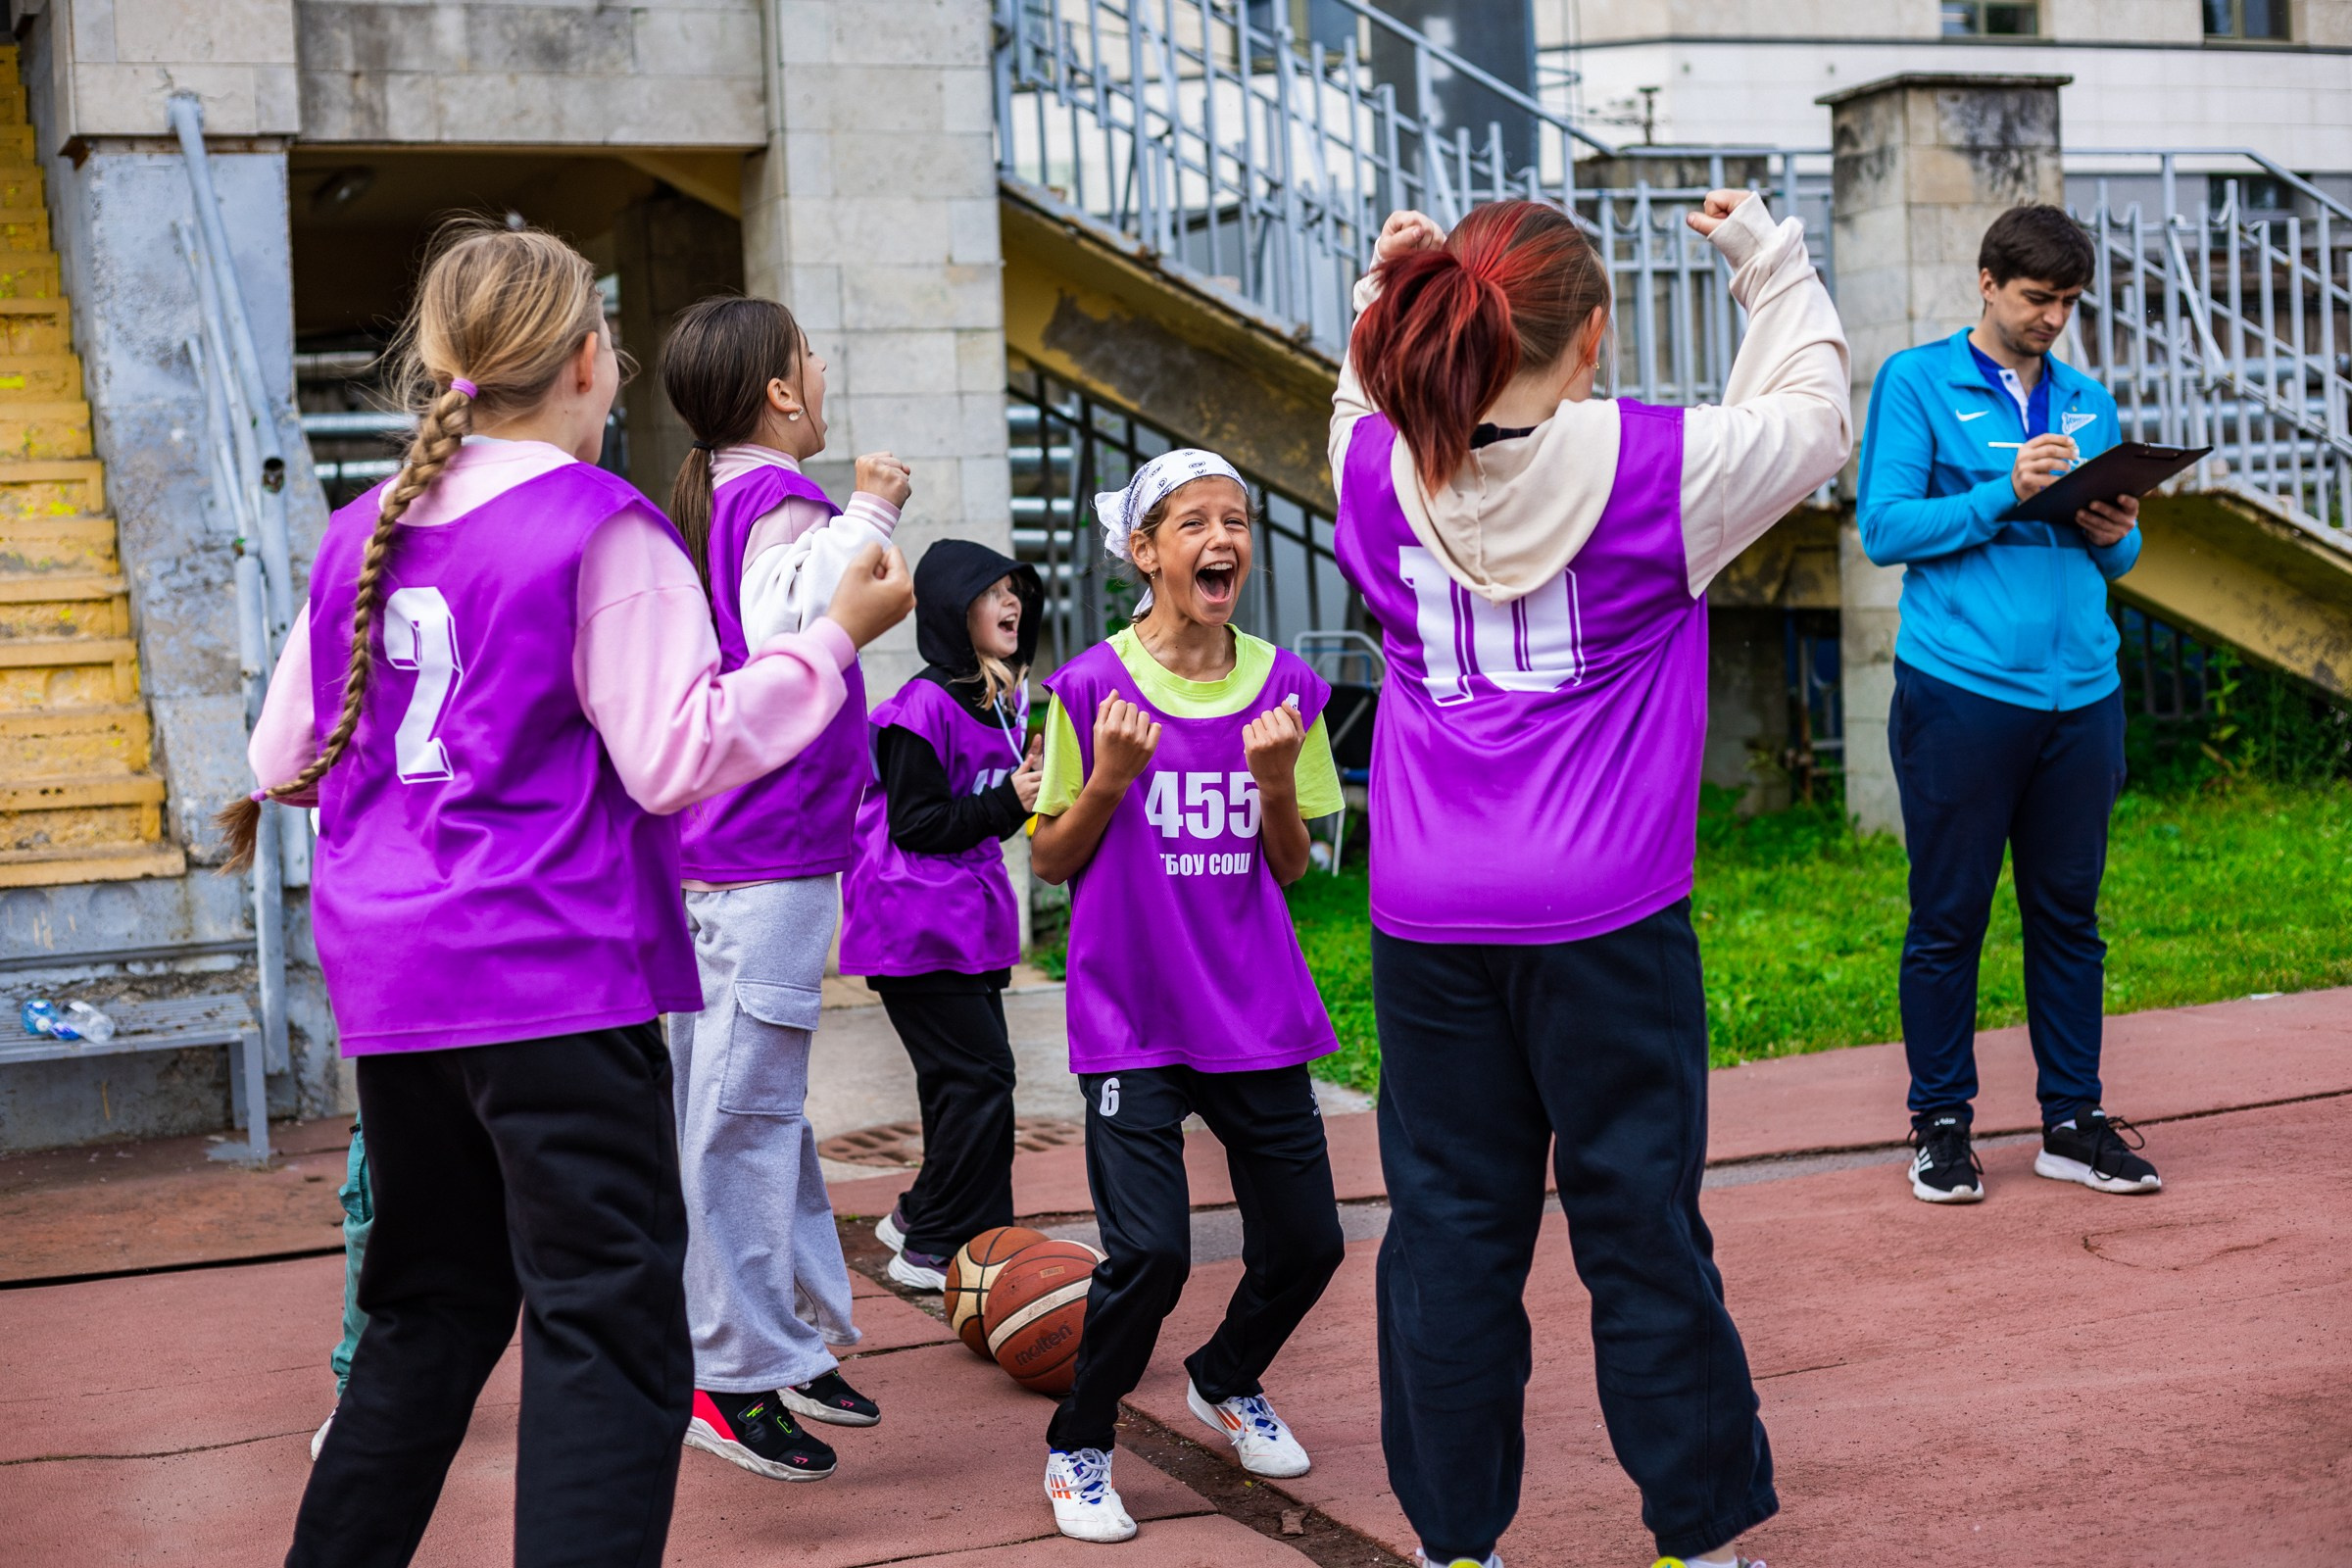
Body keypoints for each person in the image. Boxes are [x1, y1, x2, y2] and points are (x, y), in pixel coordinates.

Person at [233, 220, 911, 1568]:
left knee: (426, 1315)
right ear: (591, 361)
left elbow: (279, 758)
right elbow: (676, 754)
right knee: (607, 1326)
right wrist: (837, 639)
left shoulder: (364, 529)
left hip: (400, 988)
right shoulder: (598, 523)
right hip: (553, 976)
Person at [1332, 191, 1848, 1568]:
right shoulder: (1657, 469)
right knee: (1639, 1229)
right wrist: (1770, 263)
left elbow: (1361, 391)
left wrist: (1385, 287)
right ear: (1595, 336)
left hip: (1429, 919)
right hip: (1605, 920)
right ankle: (1699, 1539)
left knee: (1448, 1231)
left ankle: (1456, 1545)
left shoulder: (1371, 468)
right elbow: (1808, 419)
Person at [1026, 450, 1348, 1544]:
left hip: (1256, 1008)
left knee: (1309, 1243)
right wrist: (1111, 779)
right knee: (1153, 1253)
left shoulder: (1288, 688)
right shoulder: (1088, 689)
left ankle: (1226, 1374)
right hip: (1133, 1018)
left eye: (1237, 521)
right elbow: (1050, 861)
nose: (1225, 540)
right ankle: (1079, 1444)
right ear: (1145, 551)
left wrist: (1274, 785)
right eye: (1196, 523)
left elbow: (1292, 865)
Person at [1857, 204, 2162, 1204]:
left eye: (2069, 301)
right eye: (2037, 297)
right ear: (1987, 282)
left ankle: (2072, 1121)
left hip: (2084, 693)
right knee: (1949, 918)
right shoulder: (1916, 381)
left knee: (2070, 917)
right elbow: (1884, 528)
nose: (2053, 318)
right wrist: (2003, 490)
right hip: (1962, 690)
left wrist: (2115, 529)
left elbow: (2119, 556)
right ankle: (1941, 1124)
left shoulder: (2086, 400)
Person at [660, 294, 914, 1481]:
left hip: (737, 849)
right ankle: (730, 1371)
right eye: (810, 356)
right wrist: (874, 510)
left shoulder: (720, 491)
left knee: (755, 1107)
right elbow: (791, 620)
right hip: (760, 853)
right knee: (743, 1118)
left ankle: (789, 1337)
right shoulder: (779, 496)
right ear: (778, 391)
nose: (824, 369)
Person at [839, 540, 1046, 1288]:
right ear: (956, 610)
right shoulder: (920, 707)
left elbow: (986, 815)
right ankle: (936, 1246)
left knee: (962, 1084)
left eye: (1016, 590)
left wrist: (1021, 796)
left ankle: (922, 1216)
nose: (1012, 602)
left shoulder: (1000, 702)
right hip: (914, 926)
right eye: (993, 592)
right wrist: (1007, 801)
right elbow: (918, 824)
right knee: (982, 1081)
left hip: (963, 923)